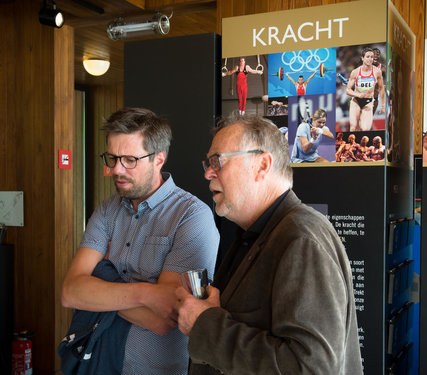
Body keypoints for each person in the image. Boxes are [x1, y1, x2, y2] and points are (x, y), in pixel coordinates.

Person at [175, 114, 363, 374]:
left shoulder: (301, 238)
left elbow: (309, 368)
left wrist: (205, 324)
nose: (208, 173)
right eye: (208, 163)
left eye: (217, 160)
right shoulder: (256, 234)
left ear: (262, 165)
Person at [61, 107, 219, 374]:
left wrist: (100, 285)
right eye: (112, 158)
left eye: (130, 160)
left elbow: (162, 317)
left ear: (159, 159)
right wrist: (147, 292)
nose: (116, 170)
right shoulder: (107, 209)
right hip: (96, 362)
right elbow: (71, 292)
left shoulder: (191, 216)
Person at [346, 47, 386, 131]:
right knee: (353, 127)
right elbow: (348, 90)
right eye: (367, 57)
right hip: (356, 101)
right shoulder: (355, 72)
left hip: (368, 102)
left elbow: (382, 88)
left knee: (365, 129)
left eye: (372, 57)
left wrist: (383, 105)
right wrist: (358, 94)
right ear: (362, 58)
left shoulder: (377, 72)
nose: (370, 59)